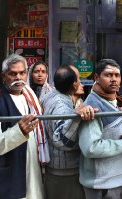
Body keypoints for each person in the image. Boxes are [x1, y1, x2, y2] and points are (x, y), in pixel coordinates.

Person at [78, 58, 122, 199]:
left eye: (117, 75)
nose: (114, 79)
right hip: (102, 184)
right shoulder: (93, 107)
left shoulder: (110, 101)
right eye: (108, 75)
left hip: (115, 180)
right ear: (96, 78)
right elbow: (91, 148)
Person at [0, 54, 49, 199]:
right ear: (4, 76)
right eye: (13, 73)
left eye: (22, 73)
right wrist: (19, 131)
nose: (18, 77)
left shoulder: (31, 98)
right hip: (10, 176)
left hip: (33, 171)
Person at [42, 64, 96, 199]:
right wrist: (76, 118)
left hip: (53, 169)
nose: (81, 82)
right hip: (64, 172)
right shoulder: (62, 106)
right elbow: (62, 141)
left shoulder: (50, 95)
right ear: (73, 86)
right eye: (78, 79)